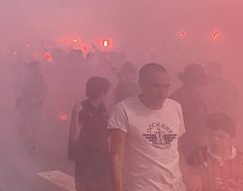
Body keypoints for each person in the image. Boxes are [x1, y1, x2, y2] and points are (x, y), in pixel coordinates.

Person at [108, 63, 198, 191]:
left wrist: (190, 175)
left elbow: (177, 151)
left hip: (176, 187)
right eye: (156, 87)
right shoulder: (124, 110)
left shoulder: (175, 108)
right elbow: (116, 157)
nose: (162, 93)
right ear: (142, 85)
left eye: (166, 87)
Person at [68, 77, 112, 191]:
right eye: (106, 93)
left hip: (102, 160)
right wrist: (75, 114)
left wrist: (109, 122)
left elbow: (105, 134)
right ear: (101, 93)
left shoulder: (102, 108)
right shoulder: (82, 108)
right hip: (86, 161)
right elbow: (74, 136)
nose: (107, 96)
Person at [188, 112, 243, 190]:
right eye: (211, 135)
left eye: (221, 136)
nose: (215, 139)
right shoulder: (198, 155)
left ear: (232, 138)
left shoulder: (241, 160)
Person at [171, 63, 210, 157]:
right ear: (199, 82)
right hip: (191, 150)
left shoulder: (176, 96)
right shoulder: (193, 100)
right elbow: (196, 130)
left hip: (176, 147)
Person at [15, 61, 48, 153]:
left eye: (39, 68)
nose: (39, 70)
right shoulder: (25, 78)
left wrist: (37, 100)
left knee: (34, 127)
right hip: (25, 106)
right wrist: (18, 100)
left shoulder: (41, 79)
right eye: (36, 68)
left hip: (36, 108)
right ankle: (27, 142)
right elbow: (21, 90)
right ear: (30, 69)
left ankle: (34, 147)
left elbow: (45, 93)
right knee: (20, 124)